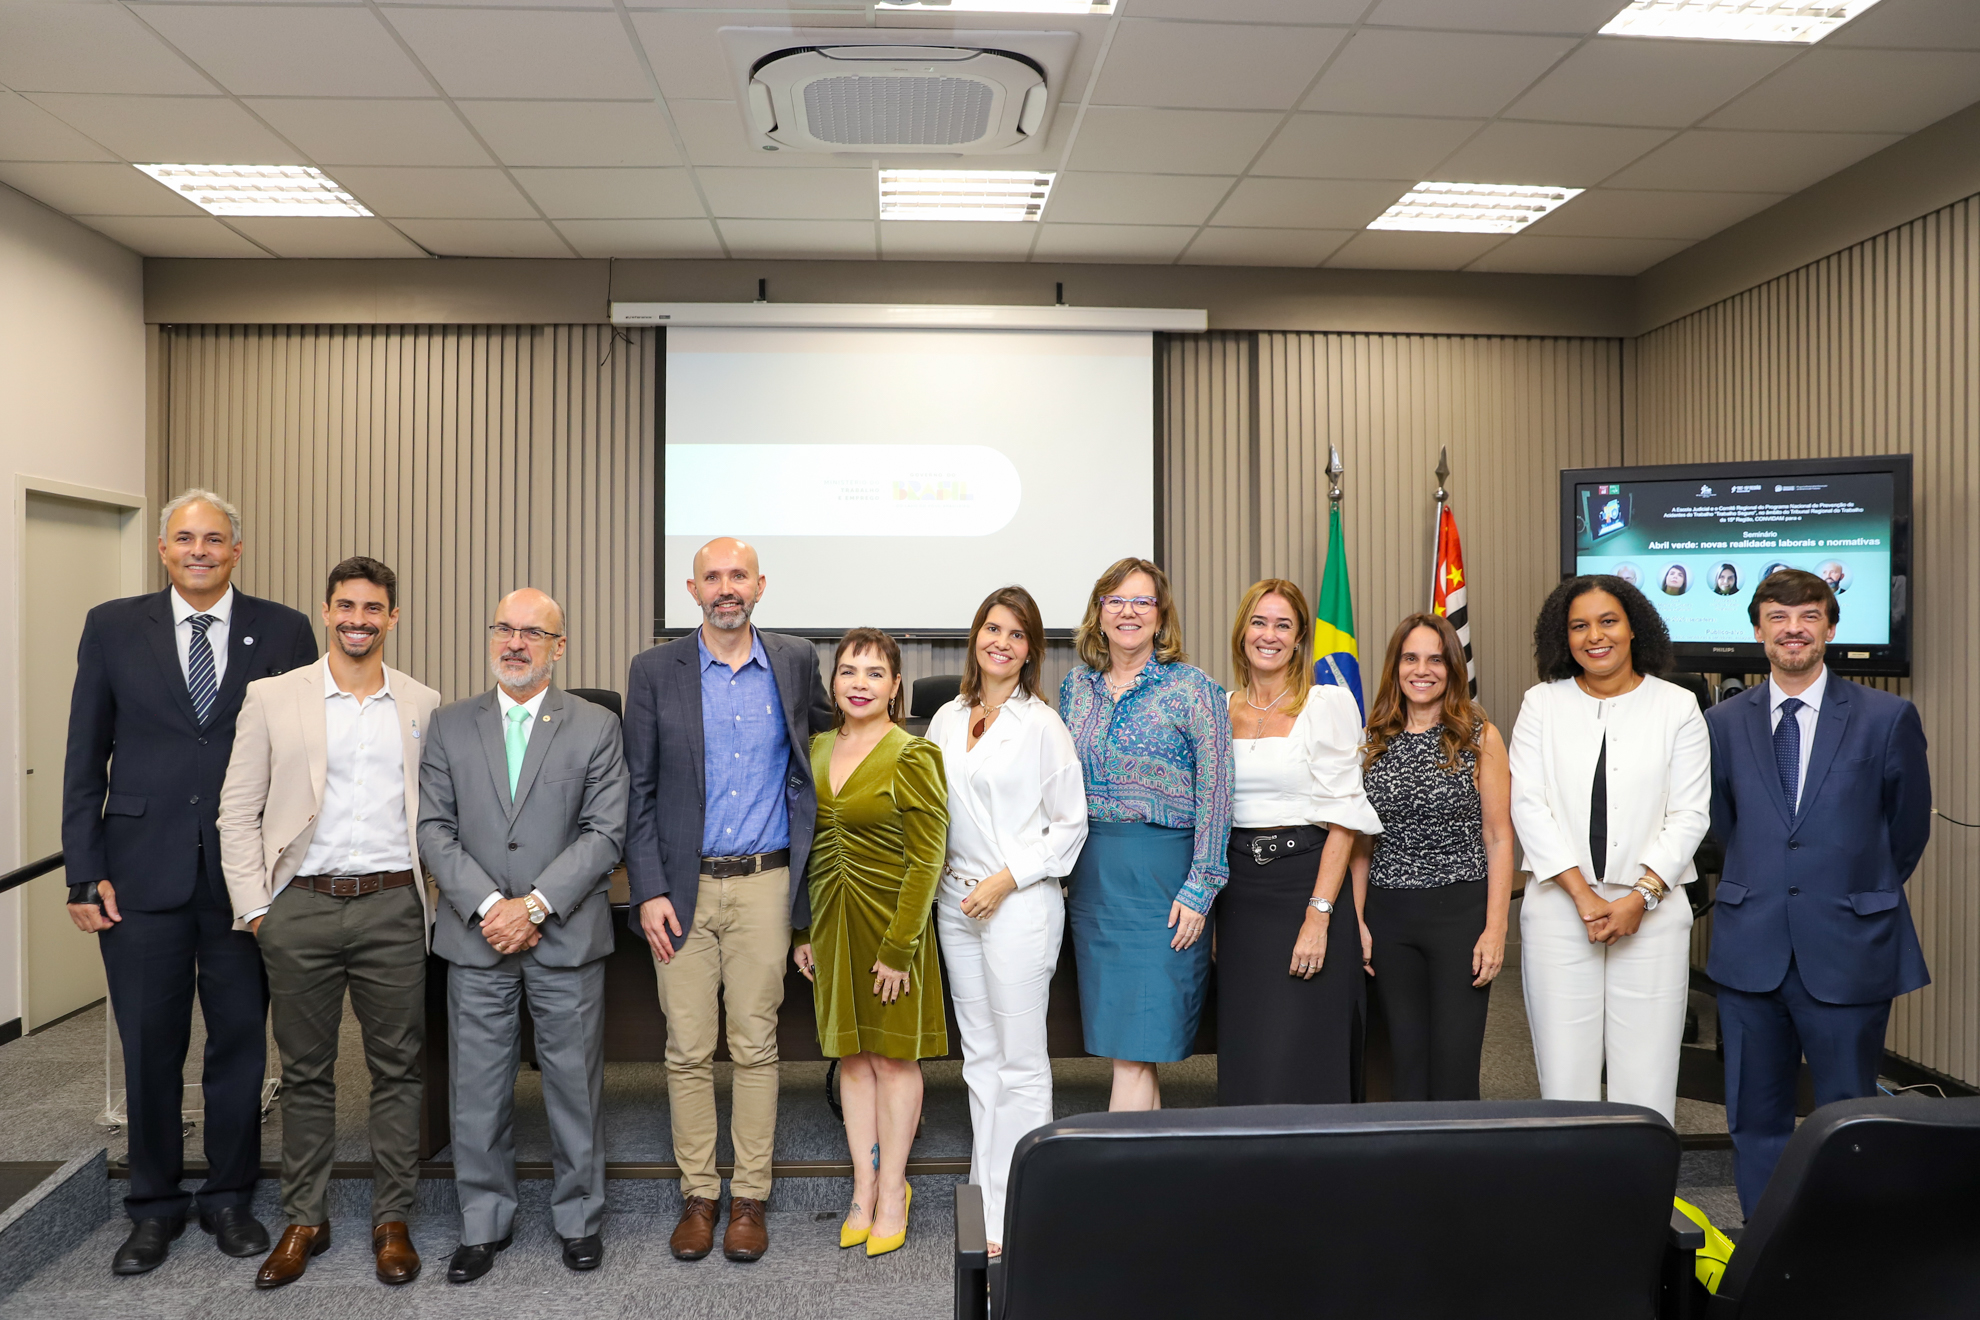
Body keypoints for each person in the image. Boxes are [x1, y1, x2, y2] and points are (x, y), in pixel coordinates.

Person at [62, 489, 317, 1276]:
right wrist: (83, 871)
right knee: (150, 1045)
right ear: (164, 550)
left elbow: (307, 755)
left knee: (240, 1044)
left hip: (247, 880)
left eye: (215, 539)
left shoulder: (283, 629)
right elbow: (84, 755)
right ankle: (154, 1205)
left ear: (237, 551)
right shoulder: (112, 626)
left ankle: (231, 1197)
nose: (200, 550)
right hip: (139, 873)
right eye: (185, 539)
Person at [217, 557, 441, 1289]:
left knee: (397, 1072)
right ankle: (304, 1219)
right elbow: (237, 809)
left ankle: (391, 1219)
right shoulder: (274, 697)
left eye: (373, 608)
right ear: (326, 611)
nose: (358, 619)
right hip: (299, 907)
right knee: (307, 1074)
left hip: (392, 908)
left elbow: (435, 813)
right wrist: (255, 907)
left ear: (392, 618)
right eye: (346, 605)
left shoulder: (421, 703)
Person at [623, 537, 833, 1264]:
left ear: (761, 584)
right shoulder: (655, 671)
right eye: (711, 576)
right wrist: (647, 887)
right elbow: (637, 789)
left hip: (767, 884)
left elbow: (829, 750)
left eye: (737, 574)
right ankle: (698, 1197)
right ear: (692, 588)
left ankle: (749, 1196)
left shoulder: (797, 659)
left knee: (755, 1042)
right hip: (680, 889)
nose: (725, 587)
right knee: (686, 1048)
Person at [417, 589, 629, 1284]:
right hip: (476, 938)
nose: (516, 642)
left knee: (574, 1087)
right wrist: (489, 907)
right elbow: (433, 831)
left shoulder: (595, 725)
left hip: (562, 936)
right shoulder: (448, 725)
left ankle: (579, 1219)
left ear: (558, 648)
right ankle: (483, 1223)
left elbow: (606, 833)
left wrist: (534, 906)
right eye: (505, 628)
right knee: (477, 1091)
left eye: (533, 633)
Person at [1705, 569, 1930, 1217]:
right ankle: (1764, 1246)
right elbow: (1723, 826)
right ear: (1758, 631)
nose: (1793, 628)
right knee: (1754, 1113)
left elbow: (1906, 829)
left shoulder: (1886, 717)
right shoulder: (1722, 723)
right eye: (1778, 616)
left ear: (1830, 628)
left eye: (1808, 616)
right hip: (1752, 947)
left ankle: (1840, 1250)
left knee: (1848, 1119)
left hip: (1849, 944)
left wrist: (1853, 889)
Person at [1508, 575, 1710, 1123]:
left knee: (1645, 1081)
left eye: (1607, 621)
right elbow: (1528, 806)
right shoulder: (1541, 704)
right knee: (1565, 1079)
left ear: (1633, 628)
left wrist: (1637, 899)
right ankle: (1572, 1205)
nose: (1594, 636)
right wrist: (1582, 896)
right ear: (1562, 637)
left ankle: (1638, 1203)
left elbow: (1690, 814)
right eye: (1579, 626)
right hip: (1559, 911)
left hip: (1652, 914)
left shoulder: (1678, 707)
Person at [927, 587, 1086, 1253]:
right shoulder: (945, 716)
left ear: (1031, 650)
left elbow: (1071, 827)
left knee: (1020, 1064)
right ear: (976, 636)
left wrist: (1005, 880)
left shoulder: (1042, 725)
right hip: (955, 904)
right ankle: (985, 1200)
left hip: (1018, 904)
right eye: (992, 627)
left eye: (1016, 634)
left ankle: (1021, 1210)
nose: (1001, 641)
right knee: (980, 1059)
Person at [793, 629, 948, 1259]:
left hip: (893, 931)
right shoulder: (815, 748)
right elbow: (805, 849)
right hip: (831, 927)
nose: (859, 683)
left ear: (896, 686)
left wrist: (900, 948)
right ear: (833, 684)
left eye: (875, 673)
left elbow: (927, 860)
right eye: (848, 671)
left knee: (892, 1060)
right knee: (852, 1060)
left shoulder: (912, 755)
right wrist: (802, 931)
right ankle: (861, 1188)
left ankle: (893, 1191)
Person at [1059, 557, 1232, 1111]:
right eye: (1116, 600)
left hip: (1165, 881)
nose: (1128, 611)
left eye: (1142, 601)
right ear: (1099, 613)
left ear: (1161, 616)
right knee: (1127, 1049)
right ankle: (1152, 1186)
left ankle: (1112, 1188)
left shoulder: (1193, 689)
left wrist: (1201, 887)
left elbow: (1218, 791)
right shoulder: (1074, 690)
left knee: (1137, 1047)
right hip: (1093, 881)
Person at [1218, 579, 1379, 1105]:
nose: (1269, 635)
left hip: (1304, 886)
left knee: (1305, 1048)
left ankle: (1316, 1180)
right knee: (1249, 1049)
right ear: (1242, 631)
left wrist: (1319, 913)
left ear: (1299, 637)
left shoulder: (1326, 704)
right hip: (1239, 895)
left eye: (1283, 624)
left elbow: (1343, 818)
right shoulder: (1220, 708)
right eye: (1259, 622)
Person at [1352, 613, 1515, 1102]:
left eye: (1435, 659)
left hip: (1460, 919)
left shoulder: (1480, 736)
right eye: (1410, 658)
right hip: (1388, 919)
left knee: (1454, 1065)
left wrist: (1496, 929)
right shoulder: (1371, 740)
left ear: (1452, 667)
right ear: (1395, 667)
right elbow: (1360, 841)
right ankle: (1408, 1176)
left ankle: (1459, 1177)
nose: (1421, 670)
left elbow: (1500, 837)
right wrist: (1356, 919)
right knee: (1403, 1061)